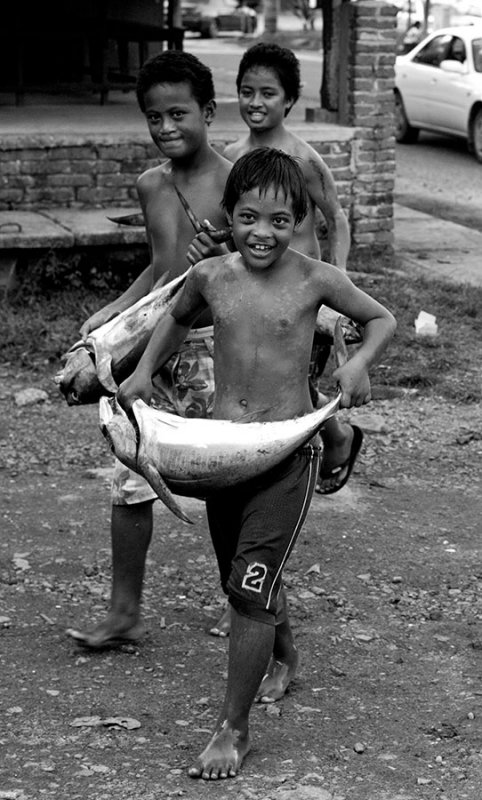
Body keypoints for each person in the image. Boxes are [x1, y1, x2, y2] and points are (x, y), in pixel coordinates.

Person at [117, 147, 397, 779]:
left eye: (278, 220)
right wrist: (140, 372)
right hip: (223, 458)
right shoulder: (212, 277)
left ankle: (232, 729)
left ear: (299, 219)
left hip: (286, 455)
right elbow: (175, 317)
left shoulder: (315, 279)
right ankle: (284, 655)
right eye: (248, 218)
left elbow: (382, 318)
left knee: (248, 589)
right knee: (244, 580)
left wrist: (355, 364)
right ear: (230, 215)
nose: (262, 233)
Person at [66, 50, 233, 649]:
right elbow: (161, 271)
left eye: (178, 114)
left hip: (216, 350)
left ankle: (246, 603)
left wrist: (221, 261)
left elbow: (258, 268)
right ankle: (124, 612)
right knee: (129, 476)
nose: (165, 128)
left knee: (225, 482)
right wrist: (113, 312)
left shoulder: (239, 181)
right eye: (153, 117)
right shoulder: (150, 185)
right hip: (150, 350)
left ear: (208, 112)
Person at [193, 43, 360, 504]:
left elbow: (337, 218)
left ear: (288, 100)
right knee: (275, 375)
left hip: (304, 294)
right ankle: (299, 457)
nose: (255, 102)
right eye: (247, 91)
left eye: (268, 93)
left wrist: (337, 278)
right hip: (255, 288)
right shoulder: (232, 155)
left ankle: (324, 446)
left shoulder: (302, 158)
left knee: (293, 379)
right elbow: (240, 223)